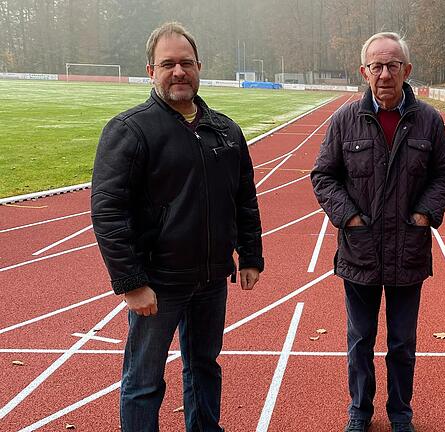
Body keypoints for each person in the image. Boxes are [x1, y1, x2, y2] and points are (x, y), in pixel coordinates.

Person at [91, 22, 264, 432]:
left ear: (199, 67)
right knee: (144, 381)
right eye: (168, 64)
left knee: (204, 368)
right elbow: (107, 211)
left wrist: (251, 255)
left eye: (186, 63)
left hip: (211, 281)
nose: (179, 72)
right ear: (151, 71)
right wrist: (131, 281)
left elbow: (244, 198)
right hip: (158, 283)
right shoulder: (130, 131)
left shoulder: (225, 129)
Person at [311, 32, 445, 432]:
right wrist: (349, 218)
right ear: (364, 71)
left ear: (407, 70)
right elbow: (324, 176)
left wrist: (425, 214)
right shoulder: (344, 120)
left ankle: (400, 412)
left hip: (408, 250)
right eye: (377, 66)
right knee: (360, 341)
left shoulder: (428, 120)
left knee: (402, 345)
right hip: (360, 252)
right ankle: (360, 410)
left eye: (393, 65)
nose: (385, 73)